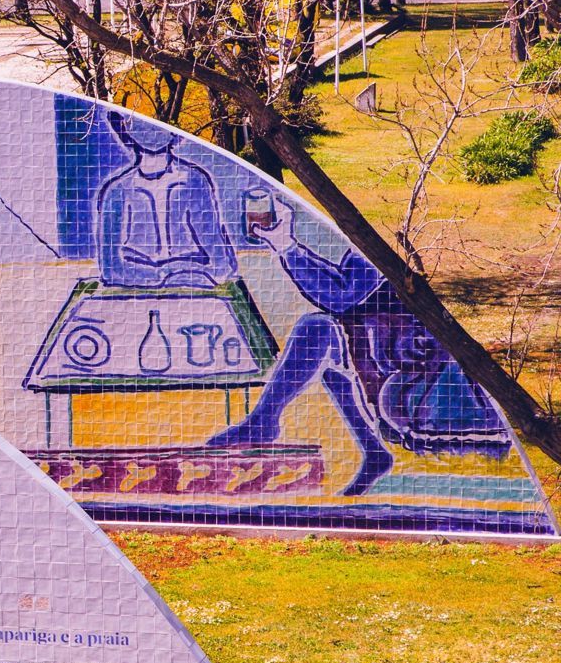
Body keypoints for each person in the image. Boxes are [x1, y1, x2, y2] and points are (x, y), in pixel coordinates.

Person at [206, 202, 511, 495]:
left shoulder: (380, 245)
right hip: (389, 350)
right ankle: (369, 451)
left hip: (413, 365)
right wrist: (286, 244)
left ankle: (265, 422)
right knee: (325, 342)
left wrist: (286, 246)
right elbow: (342, 288)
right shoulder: (374, 243)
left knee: (318, 331)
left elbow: (340, 295)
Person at [94, 111, 237, 288]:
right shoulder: (117, 190)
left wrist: (184, 274)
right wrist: (156, 278)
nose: (151, 131)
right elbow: (111, 268)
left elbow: (220, 261)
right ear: (124, 129)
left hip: (191, 280)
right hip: (136, 283)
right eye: (139, 123)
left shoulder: (194, 180)